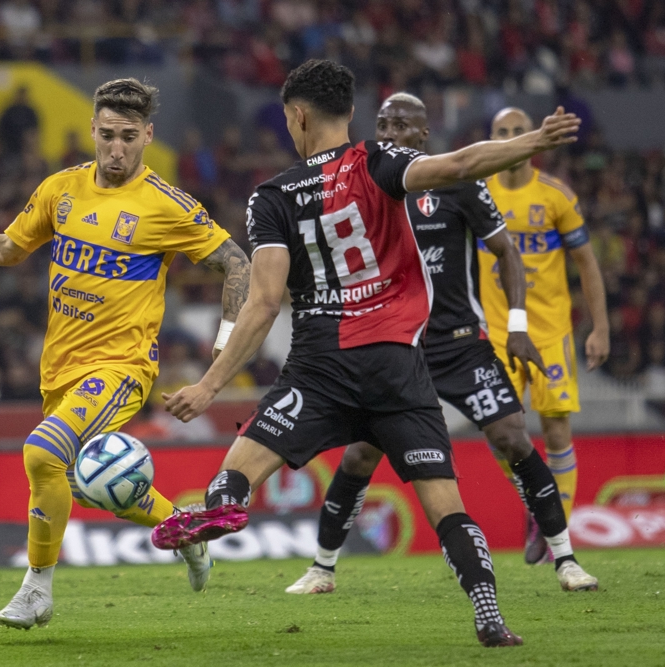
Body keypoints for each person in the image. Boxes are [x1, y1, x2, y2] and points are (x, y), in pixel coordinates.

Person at [153, 59, 581, 647]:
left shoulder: (271, 197)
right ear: (352, 112)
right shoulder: (383, 162)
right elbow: (460, 165)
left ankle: (225, 506)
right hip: (396, 367)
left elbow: (264, 303)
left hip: (318, 369)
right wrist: (534, 141)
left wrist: (208, 386)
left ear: (297, 116)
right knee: (445, 506)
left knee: (236, 471)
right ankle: (488, 611)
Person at [0, 78, 251, 630]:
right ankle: (184, 530)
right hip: (60, 371)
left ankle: (36, 590)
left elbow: (237, 263)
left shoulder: (166, 205)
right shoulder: (61, 189)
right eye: (107, 135)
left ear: (148, 136)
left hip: (121, 368)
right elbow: (8, 246)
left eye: (128, 137)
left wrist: (221, 352)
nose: (116, 148)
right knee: (83, 483)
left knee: (40, 453)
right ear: (92, 130)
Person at [284, 93, 598, 600]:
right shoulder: (362, 185)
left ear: (424, 134)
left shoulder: (458, 184)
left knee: (513, 438)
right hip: (395, 347)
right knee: (360, 455)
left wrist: (518, 325)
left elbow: (506, 252)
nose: (390, 133)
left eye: (402, 125)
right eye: (383, 124)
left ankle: (566, 559)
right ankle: (322, 568)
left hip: (459, 345)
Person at [482, 108, 609, 564]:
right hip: (497, 333)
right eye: (502, 132)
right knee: (498, 430)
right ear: (491, 139)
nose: (512, 138)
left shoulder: (555, 195)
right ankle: (539, 503)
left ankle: (556, 535)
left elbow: (586, 263)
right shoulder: (479, 192)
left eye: (519, 131)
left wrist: (600, 327)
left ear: (533, 136)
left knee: (556, 428)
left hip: (550, 331)